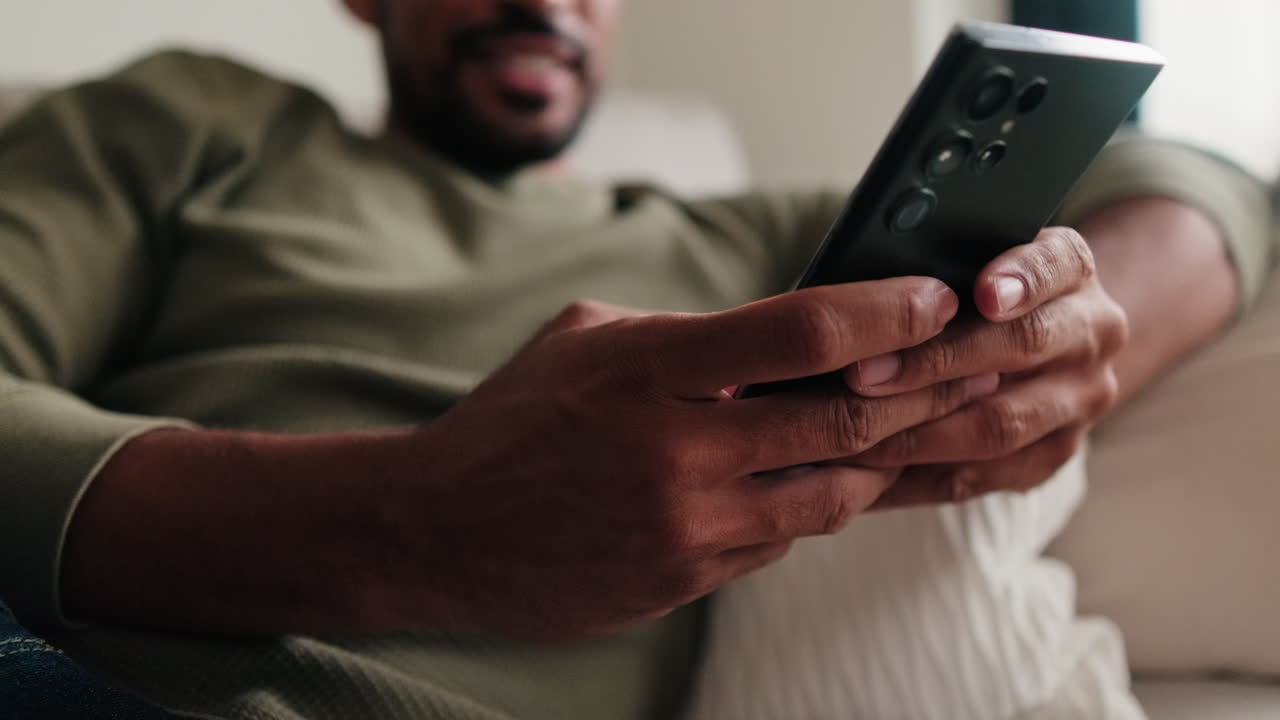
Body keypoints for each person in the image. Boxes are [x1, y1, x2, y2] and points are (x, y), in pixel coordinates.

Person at [0, 0, 1270, 718]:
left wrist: (1066, 331)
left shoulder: (753, 241)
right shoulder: (193, 121)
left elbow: (1204, 190)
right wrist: (411, 523)